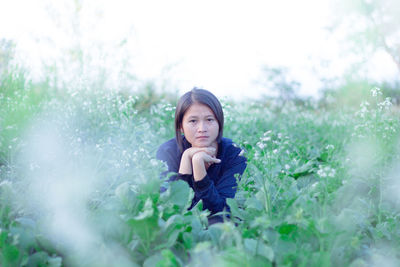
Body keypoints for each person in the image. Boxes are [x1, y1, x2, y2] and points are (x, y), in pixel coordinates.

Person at [156, 88, 247, 224]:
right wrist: (186, 159)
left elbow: (223, 212)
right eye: (193, 121)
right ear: (181, 126)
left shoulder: (234, 153)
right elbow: (170, 210)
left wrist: (198, 166)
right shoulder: (168, 151)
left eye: (209, 120)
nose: (202, 128)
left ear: (219, 123)